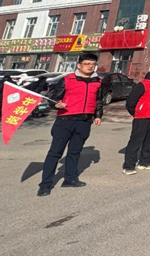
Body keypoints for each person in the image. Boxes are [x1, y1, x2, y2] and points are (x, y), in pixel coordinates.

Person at [37, 53, 104, 197]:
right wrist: (56, 104)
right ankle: (45, 184)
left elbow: (98, 100)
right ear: (79, 65)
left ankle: (70, 179)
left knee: (75, 152)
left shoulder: (97, 81)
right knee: (55, 153)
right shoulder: (67, 80)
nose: (90, 67)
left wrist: (98, 115)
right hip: (65, 121)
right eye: (86, 64)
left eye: (93, 64)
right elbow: (53, 98)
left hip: (84, 121)